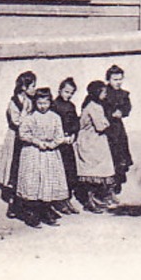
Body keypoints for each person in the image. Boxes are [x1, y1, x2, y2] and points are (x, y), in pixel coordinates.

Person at [14, 88, 73, 227]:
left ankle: (46, 211)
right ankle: (32, 214)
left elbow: (59, 135)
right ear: (35, 103)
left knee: (48, 182)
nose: (42, 106)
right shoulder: (30, 117)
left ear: (50, 102)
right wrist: (37, 142)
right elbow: (23, 134)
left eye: (45, 103)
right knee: (34, 182)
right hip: (33, 153)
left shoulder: (55, 117)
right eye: (39, 103)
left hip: (50, 154)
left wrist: (53, 144)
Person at [0, 72, 37, 221]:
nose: (34, 90)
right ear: (24, 87)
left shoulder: (30, 101)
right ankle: (12, 205)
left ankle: (25, 204)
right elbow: (17, 122)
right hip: (15, 139)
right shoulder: (14, 103)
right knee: (14, 171)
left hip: (26, 138)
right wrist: (26, 114)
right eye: (32, 86)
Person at [73, 80, 116, 212]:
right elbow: (101, 126)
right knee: (92, 174)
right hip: (90, 142)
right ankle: (90, 202)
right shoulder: (94, 107)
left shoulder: (92, 105)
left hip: (94, 141)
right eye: (103, 92)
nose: (105, 94)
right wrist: (109, 122)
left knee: (98, 172)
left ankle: (98, 199)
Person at [52, 77, 84, 214]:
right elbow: (52, 124)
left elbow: (76, 122)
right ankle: (59, 202)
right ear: (60, 90)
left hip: (68, 144)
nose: (68, 95)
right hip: (58, 144)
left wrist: (73, 134)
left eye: (71, 93)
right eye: (66, 92)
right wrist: (61, 137)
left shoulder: (71, 106)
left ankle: (68, 199)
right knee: (60, 172)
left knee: (70, 172)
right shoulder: (54, 105)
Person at [101, 65, 133, 197]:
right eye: (115, 79)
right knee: (109, 157)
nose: (118, 82)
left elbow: (127, 107)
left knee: (121, 156)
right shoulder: (103, 93)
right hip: (106, 130)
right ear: (108, 79)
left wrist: (122, 112)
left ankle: (117, 184)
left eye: (120, 79)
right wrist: (110, 113)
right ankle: (107, 188)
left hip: (118, 129)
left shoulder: (123, 94)